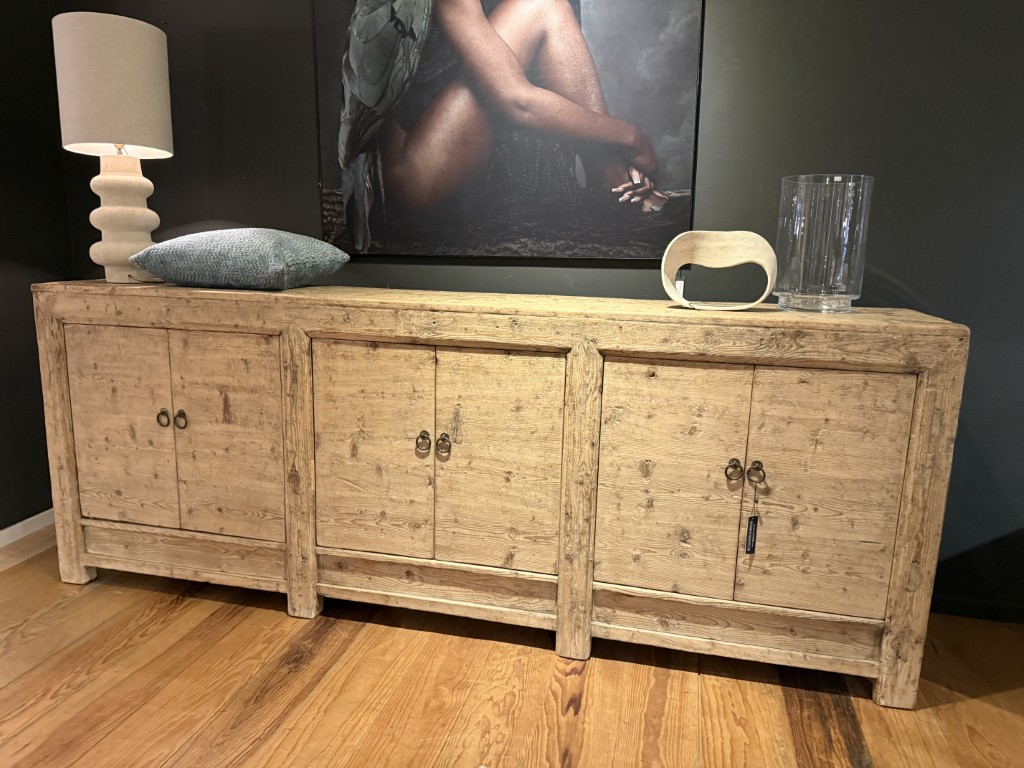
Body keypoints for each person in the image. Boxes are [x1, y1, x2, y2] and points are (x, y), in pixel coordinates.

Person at [339, 0, 671, 251]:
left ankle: (615, 181)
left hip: (462, 156)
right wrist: (631, 137)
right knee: (543, 5)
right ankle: (616, 179)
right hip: (416, 174)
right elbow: (517, 102)